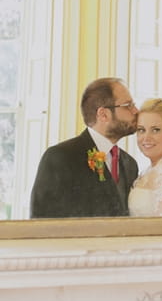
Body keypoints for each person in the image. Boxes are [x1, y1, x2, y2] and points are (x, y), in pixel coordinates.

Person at [30, 77, 139, 218]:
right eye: (128, 105)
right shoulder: (60, 157)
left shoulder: (130, 164)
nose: (136, 111)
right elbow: (41, 220)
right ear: (103, 114)